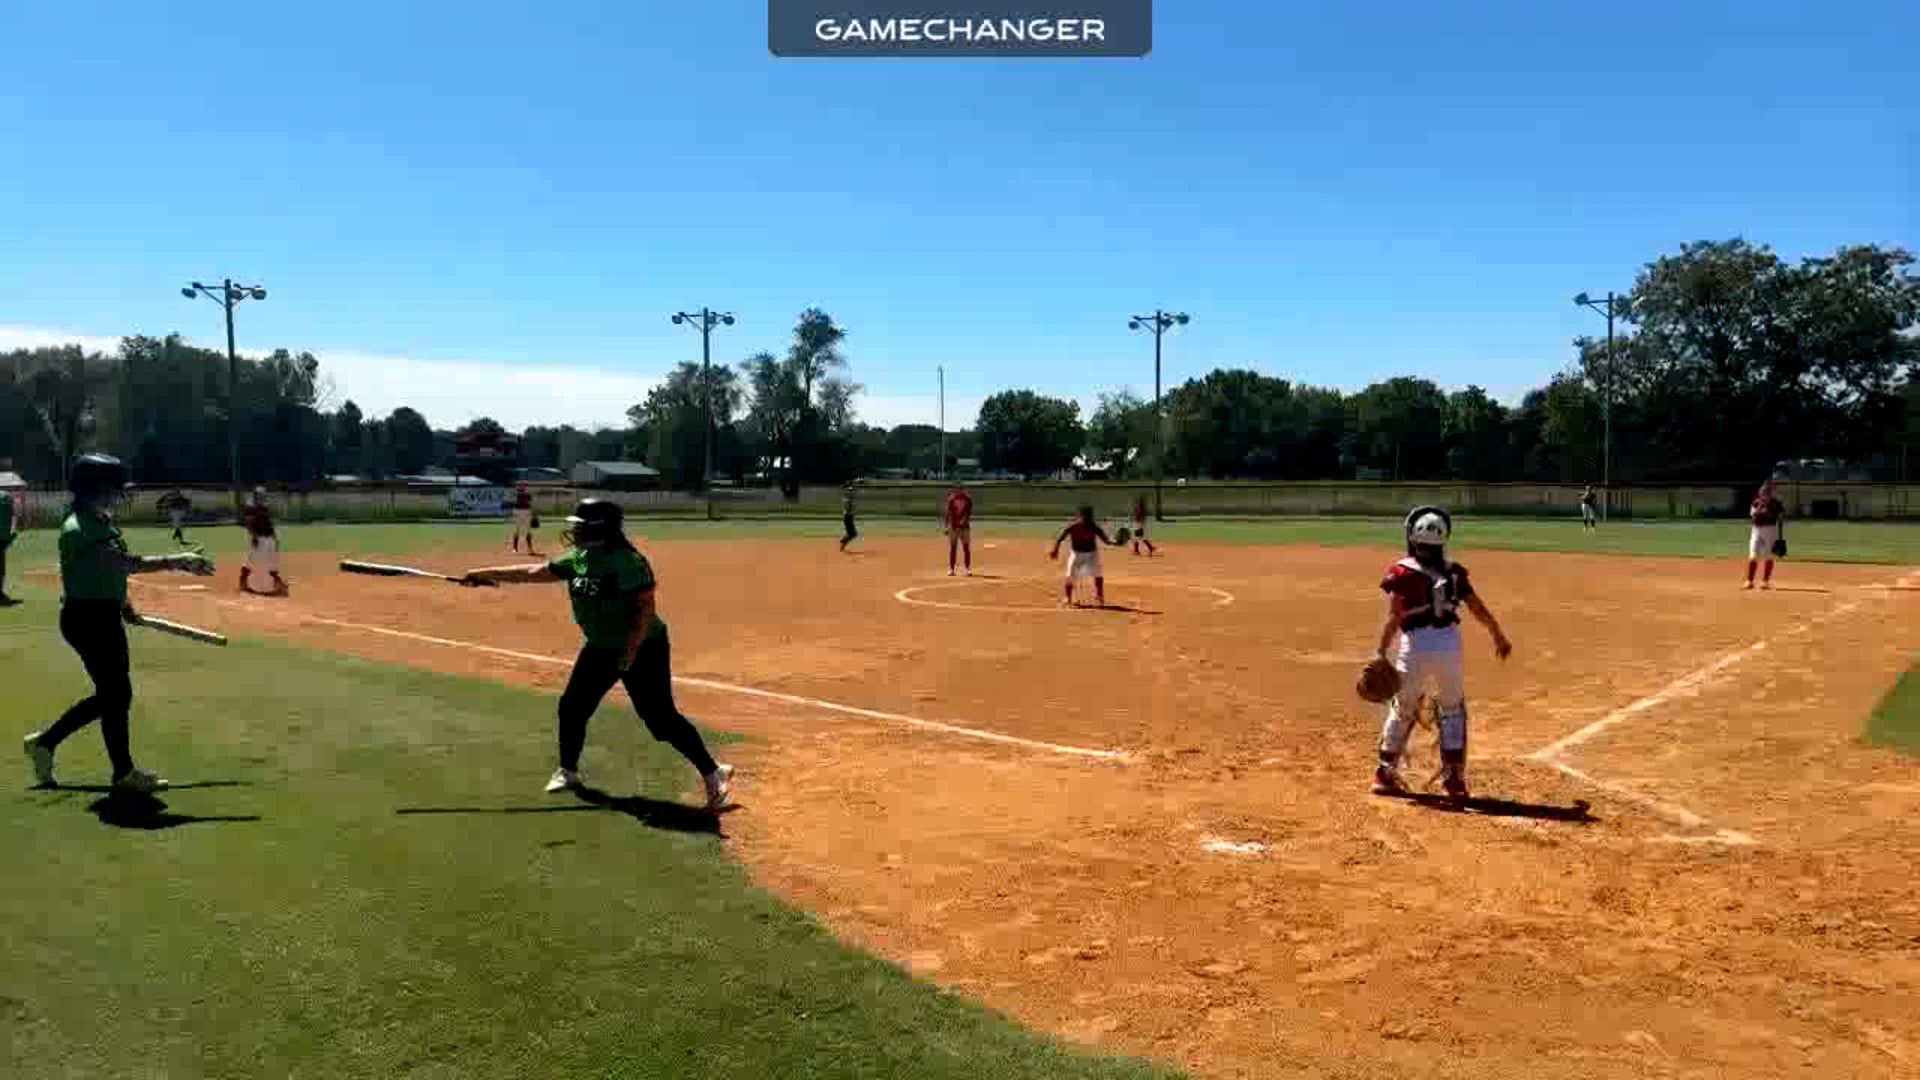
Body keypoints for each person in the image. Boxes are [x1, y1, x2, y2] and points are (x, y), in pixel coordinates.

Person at [458, 498, 735, 811]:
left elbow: (645, 612)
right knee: (572, 707)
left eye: (580, 525)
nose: (574, 531)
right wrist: (482, 573)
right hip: (601, 646)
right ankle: (568, 771)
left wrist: (629, 653)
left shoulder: (627, 562)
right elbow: (533, 571)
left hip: (643, 647)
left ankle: (713, 773)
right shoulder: (579, 558)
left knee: (660, 720)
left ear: (598, 528)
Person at [22, 454, 214, 791]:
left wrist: (124, 605)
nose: (119, 495)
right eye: (114, 488)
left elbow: (111, 575)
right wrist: (177, 561)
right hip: (88, 619)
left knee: (114, 695)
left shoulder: (99, 522)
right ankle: (118, 771)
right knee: (116, 694)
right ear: (94, 489)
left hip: (103, 615)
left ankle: (48, 744)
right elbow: (123, 563)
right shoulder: (79, 528)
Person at [1370, 506, 1513, 801]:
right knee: (1452, 710)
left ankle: (1385, 773)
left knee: (1403, 707)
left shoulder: (1401, 571)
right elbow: (1477, 607)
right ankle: (1454, 780)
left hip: (1414, 646)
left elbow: (1394, 617)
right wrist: (1497, 634)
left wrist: (1380, 651)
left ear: (1412, 537)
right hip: (1448, 645)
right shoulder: (1454, 572)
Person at [1050, 505, 1123, 608]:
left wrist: (1115, 542)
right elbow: (1060, 538)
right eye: (1085, 516)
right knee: (1070, 575)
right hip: (1077, 553)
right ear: (1079, 516)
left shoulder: (1094, 527)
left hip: (1092, 554)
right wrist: (1055, 549)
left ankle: (1099, 596)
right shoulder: (1073, 526)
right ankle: (1067, 597)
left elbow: (1106, 541)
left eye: (1089, 516)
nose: (1087, 518)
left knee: (1098, 574)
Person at [240, 487, 288, 595]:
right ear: (255, 496)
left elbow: (269, 524)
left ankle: (277, 582)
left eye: (263, 494)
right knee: (250, 561)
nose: (263, 496)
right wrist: (254, 536)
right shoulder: (250, 508)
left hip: (268, 537)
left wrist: (275, 537)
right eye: (260, 495)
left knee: (273, 560)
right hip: (257, 537)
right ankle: (243, 582)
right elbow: (249, 523)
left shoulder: (264, 507)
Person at [1746, 479, 1786, 590]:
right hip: (1756, 530)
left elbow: (1781, 518)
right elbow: (1753, 516)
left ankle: (1765, 582)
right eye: (1762, 492)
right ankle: (1749, 581)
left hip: (1770, 530)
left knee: (1768, 556)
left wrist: (1780, 536)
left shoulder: (1776, 504)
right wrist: (1760, 508)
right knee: (1753, 554)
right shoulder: (1756, 502)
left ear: (1770, 494)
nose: (1763, 495)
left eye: (1766, 492)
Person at [943, 483, 974, 576]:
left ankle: (967, 569)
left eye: (961, 489)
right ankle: (951, 569)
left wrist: (963, 521)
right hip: (953, 527)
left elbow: (968, 513)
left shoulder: (968, 499)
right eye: (957, 489)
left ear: (963, 490)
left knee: (966, 548)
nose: (959, 491)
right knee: (953, 548)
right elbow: (948, 512)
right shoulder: (951, 499)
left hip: (964, 528)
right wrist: (946, 526)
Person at [0, 484, 20, 606]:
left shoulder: (6, 497)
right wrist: (13, 532)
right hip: (3, 537)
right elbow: (14, 516)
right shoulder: (7, 497)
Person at [507, 481, 536, 553]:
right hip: (518, 512)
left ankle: (530, 548)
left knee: (528, 530)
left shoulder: (527, 494)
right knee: (517, 529)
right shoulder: (516, 494)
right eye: (520, 485)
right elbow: (514, 501)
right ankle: (515, 548)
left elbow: (530, 502)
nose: (521, 487)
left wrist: (532, 512)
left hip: (526, 511)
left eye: (523, 485)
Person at [839, 483, 859, 552]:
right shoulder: (848, 500)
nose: (852, 492)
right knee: (853, 533)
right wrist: (851, 511)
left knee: (851, 533)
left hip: (849, 517)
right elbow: (848, 508)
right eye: (850, 491)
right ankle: (843, 540)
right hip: (848, 517)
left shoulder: (850, 499)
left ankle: (843, 545)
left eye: (852, 491)